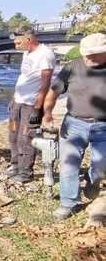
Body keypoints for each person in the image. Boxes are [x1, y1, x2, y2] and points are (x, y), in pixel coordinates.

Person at [42, 33, 106, 220]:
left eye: (93, 54)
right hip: (74, 124)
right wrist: (47, 113)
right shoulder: (73, 67)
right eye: (85, 54)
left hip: (103, 126)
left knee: (102, 166)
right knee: (68, 166)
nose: (88, 58)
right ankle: (69, 203)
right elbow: (53, 93)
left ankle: (93, 179)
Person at [6, 25, 56, 183]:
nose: (16, 45)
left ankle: (25, 173)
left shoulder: (45, 54)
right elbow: (24, 77)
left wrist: (38, 106)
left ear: (29, 38)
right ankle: (15, 166)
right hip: (18, 101)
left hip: (31, 104)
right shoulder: (27, 53)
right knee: (13, 137)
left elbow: (45, 82)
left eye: (18, 43)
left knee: (25, 139)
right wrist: (14, 98)